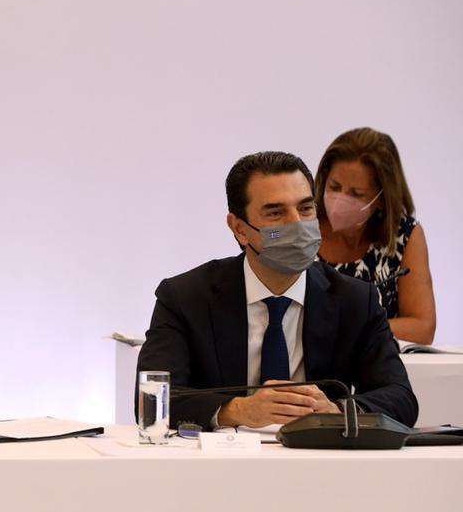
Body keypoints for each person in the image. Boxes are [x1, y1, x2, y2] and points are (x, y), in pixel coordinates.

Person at [136, 151, 417, 430]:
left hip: (319, 455)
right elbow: (153, 400)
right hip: (223, 454)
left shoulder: (355, 300)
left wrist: (336, 411)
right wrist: (238, 410)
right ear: (240, 229)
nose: (297, 224)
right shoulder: (185, 297)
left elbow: (400, 398)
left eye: (306, 209)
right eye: (275, 213)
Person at [316, 127, 436, 344]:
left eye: (356, 194)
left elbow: (422, 328)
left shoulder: (402, 235)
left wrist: (349, 330)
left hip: (377, 363)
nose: (340, 199)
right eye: (334, 186)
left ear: (381, 198)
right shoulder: (299, 225)